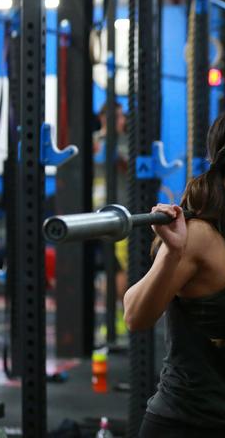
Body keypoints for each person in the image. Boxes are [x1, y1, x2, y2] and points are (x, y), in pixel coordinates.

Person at [123, 105, 225, 437]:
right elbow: (134, 316)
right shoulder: (201, 236)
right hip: (183, 427)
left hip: (221, 425)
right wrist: (172, 252)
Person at [93, 102, 130, 324]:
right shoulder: (94, 142)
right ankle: (113, 317)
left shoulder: (126, 143)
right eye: (117, 117)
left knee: (120, 268)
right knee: (109, 268)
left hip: (121, 214)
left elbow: (125, 165)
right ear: (104, 118)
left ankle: (119, 316)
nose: (122, 121)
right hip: (95, 215)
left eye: (122, 116)